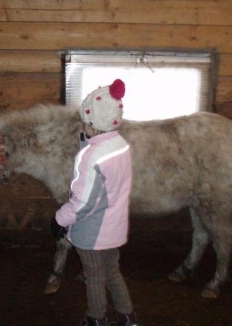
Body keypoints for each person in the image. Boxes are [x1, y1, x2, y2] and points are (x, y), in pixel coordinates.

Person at [51, 79, 138, 326]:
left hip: (93, 231)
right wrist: (87, 143)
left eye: (85, 121)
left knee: (93, 276)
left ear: (92, 122)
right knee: (111, 272)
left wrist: (59, 219)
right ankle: (128, 317)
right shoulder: (120, 145)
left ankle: (96, 319)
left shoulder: (89, 157)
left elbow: (83, 203)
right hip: (114, 226)